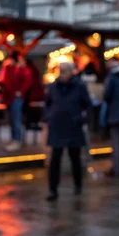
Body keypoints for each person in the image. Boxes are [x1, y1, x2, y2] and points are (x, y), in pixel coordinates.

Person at [44, 62, 91, 202]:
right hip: (57, 125)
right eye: (61, 71)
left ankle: (78, 185)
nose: (62, 74)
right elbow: (47, 103)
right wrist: (49, 116)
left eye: (65, 71)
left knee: (75, 157)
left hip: (73, 126)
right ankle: (53, 190)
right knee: (55, 159)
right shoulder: (53, 86)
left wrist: (82, 119)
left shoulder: (79, 86)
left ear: (71, 72)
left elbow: (88, 105)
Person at [1, 51, 32, 151]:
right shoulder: (9, 68)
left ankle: (17, 140)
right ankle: (14, 139)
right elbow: (6, 81)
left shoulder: (21, 69)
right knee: (11, 119)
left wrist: (21, 92)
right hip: (9, 98)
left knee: (16, 119)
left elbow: (27, 81)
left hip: (16, 98)